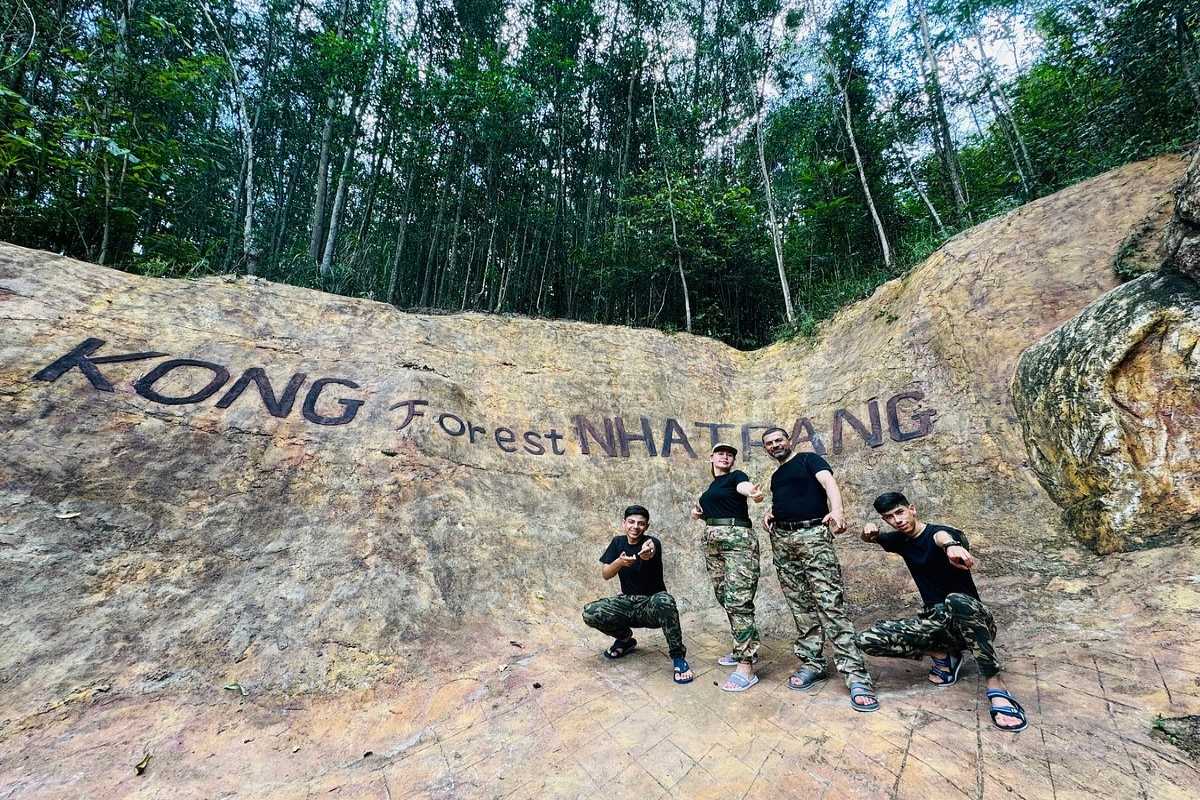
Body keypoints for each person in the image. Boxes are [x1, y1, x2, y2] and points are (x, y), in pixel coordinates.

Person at [856, 492, 1028, 731]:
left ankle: (996, 686)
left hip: (973, 620)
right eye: (889, 517)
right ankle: (945, 656)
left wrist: (951, 547)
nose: (897, 520)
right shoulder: (900, 540)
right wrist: (869, 534)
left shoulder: (941, 533)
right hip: (939, 624)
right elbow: (877, 539)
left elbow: (942, 537)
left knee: (956, 600)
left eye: (900, 512)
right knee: (868, 639)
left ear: (912, 509)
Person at [761, 427, 879, 712]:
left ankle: (855, 675)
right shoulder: (776, 476)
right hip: (783, 540)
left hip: (814, 535)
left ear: (789, 441)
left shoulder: (808, 460)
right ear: (766, 449)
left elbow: (828, 484)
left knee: (830, 604)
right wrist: (772, 513)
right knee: (800, 605)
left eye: (779, 440)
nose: (775, 445)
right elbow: (790, 499)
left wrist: (837, 511)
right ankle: (812, 663)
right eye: (769, 443)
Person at [582, 505, 694, 684]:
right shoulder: (617, 543)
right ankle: (625, 640)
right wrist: (619, 562)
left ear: (646, 527)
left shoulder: (651, 542)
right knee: (590, 612)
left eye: (641, 524)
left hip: (651, 605)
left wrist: (645, 554)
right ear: (624, 523)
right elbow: (606, 574)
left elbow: (650, 550)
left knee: (665, 601)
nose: (635, 527)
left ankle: (678, 658)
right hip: (627, 603)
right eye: (631, 522)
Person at [689, 443, 766, 692]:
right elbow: (715, 508)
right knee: (724, 596)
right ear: (710, 457)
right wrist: (700, 514)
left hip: (737, 540)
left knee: (738, 600)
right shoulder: (712, 487)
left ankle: (746, 666)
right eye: (720, 453)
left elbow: (744, 489)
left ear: (733, 461)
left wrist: (752, 493)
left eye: (730, 454)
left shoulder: (737, 477)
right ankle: (742, 647)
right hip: (713, 543)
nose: (725, 456)